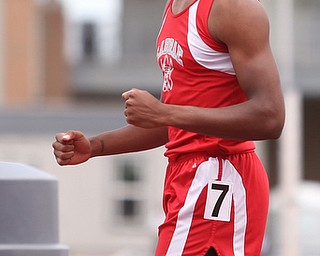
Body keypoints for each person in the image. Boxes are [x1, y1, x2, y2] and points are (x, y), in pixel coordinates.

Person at [52, 0, 285, 255]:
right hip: (186, 175)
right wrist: (96, 146)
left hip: (218, 175)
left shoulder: (232, 7)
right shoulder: (174, 7)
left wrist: (164, 112)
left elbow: (270, 117)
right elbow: (175, 122)